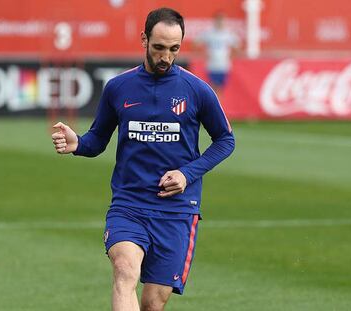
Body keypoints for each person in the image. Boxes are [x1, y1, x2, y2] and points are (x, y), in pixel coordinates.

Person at [51, 7, 235, 311]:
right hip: (129, 204)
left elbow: (225, 140)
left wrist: (187, 174)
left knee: (152, 303)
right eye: (159, 47)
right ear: (144, 39)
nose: (166, 56)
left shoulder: (197, 90)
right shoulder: (118, 87)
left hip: (177, 211)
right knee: (124, 270)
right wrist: (78, 144)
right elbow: (97, 140)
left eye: (174, 49)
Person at [194, 11, 241, 98]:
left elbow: (237, 46)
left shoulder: (228, 33)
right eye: (218, 20)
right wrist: (203, 53)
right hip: (212, 65)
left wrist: (231, 56)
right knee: (212, 88)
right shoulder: (209, 33)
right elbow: (196, 43)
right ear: (215, 21)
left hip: (224, 65)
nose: (220, 22)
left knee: (221, 89)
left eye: (222, 20)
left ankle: (219, 107)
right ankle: (213, 108)